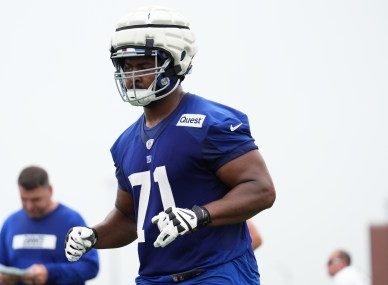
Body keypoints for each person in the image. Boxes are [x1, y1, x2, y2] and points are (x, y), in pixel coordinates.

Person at [64, 5, 276, 284]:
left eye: (143, 65)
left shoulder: (211, 122)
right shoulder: (125, 143)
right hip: (154, 278)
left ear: (176, 61)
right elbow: (129, 217)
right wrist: (95, 235)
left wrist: (200, 215)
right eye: (127, 66)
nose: (132, 75)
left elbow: (261, 189)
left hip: (215, 272)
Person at [0, 166, 99, 285]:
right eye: (24, 199)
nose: (29, 206)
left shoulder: (72, 221)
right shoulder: (11, 223)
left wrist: (49, 273)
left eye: (35, 200)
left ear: (49, 190)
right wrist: (0, 277)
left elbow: (90, 266)